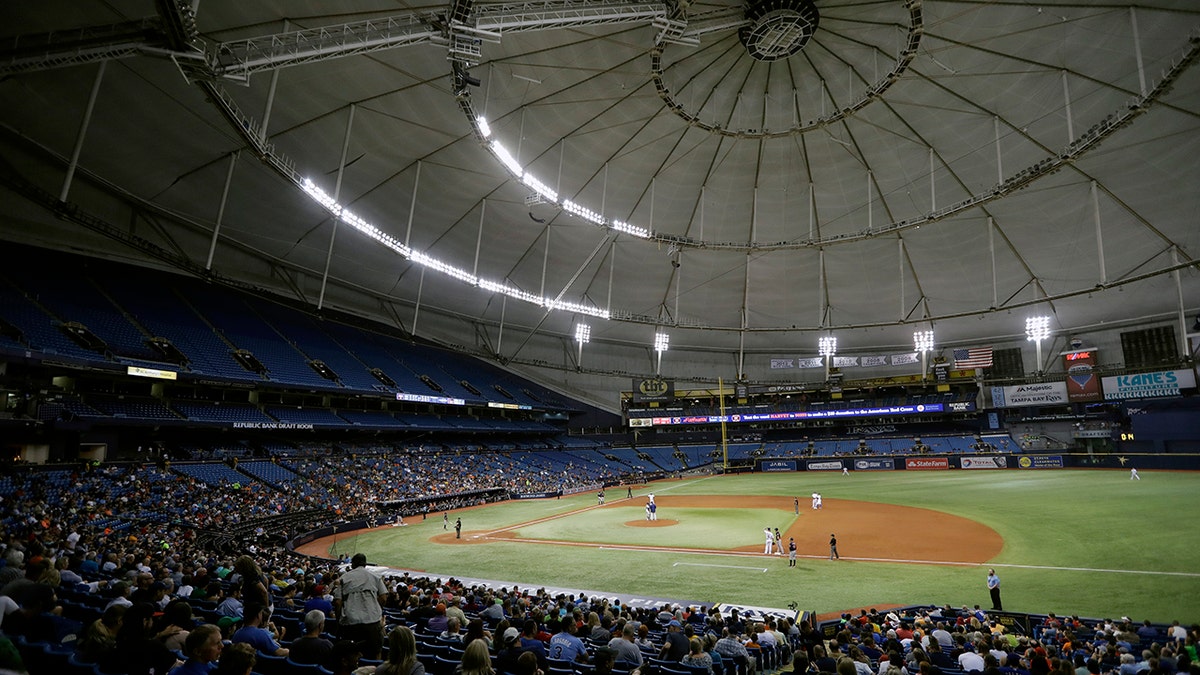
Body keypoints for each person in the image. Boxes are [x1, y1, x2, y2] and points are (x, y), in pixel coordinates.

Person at [333, 552, 388, 660]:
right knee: (376, 651)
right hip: (372, 620)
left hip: (351, 621)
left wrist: (339, 619)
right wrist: (375, 608)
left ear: (353, 564)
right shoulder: (374, 576)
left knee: (350, 654)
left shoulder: (344, 577)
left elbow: (338, 602)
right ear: (365, 563)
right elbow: (383, 598)